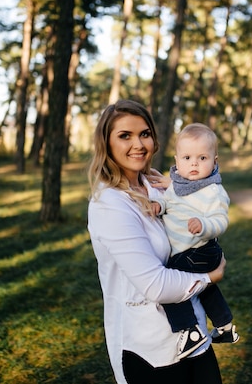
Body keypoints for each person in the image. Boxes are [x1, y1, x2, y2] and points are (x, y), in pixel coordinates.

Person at [87, 99, 226, 384]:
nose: (138, 144)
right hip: (152, 349)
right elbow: (155, 285)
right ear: (106, 143)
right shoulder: (109, 204)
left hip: (194, 333)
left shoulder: (153, 185)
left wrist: (174, 188)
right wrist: (210, 277)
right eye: (125, 136)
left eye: (144, 134)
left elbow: (197, 219)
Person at [151, 123, 239, 360]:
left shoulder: (213, 191)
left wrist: (204, 225)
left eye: (202, 157)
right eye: (187, 157)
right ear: (177, 160)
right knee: (205, 287)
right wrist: (159, 206)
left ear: (214, 161)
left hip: (200, 248)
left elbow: (221, 220)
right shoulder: (178, 185)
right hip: (192, 251)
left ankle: (190, 331)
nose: (194, 164)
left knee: (171, 284)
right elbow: (170, 202)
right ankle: (225, 325)